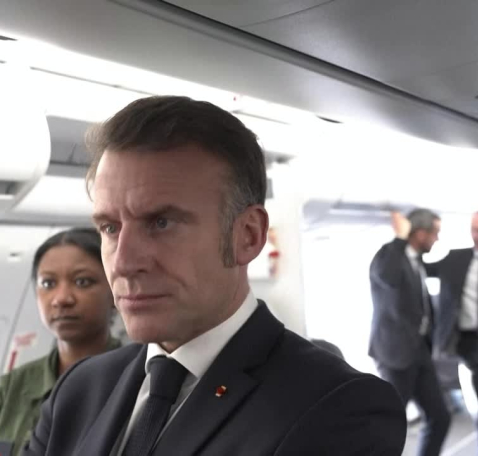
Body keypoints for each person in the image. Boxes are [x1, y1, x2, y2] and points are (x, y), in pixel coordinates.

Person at [25, 96, 406, 456]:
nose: (123, 263)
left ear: (247, 236)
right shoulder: (80, 389)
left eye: (161, 223)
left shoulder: (339, 406)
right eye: (110, 228)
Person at [0, 228, 122, 456]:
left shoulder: (139, 380)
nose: (62, 299)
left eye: (82, 282)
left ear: (115, 290)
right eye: (48, 284)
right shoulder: (13, 386)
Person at [410, 208, 478, 456]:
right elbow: (418, 265)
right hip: (472, 346)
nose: (475, 235)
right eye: (472, 230)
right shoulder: (456, 259)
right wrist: (407, 236)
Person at [369, 208, 451, 456]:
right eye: (435, 232)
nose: (437, 238)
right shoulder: (388, 256)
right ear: (421, 233)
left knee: (440, 417)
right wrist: (399, 237)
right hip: (395, 354)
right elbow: (389, 278)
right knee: (389, 425)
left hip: (419, 351)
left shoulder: (417, 261)